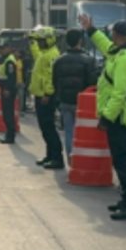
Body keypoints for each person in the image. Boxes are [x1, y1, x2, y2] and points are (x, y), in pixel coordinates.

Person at [79, 14, 126, 220]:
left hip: (121, 118)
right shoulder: (122, 53)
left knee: (123, 161)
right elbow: (105, 45)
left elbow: (120, 92)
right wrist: (91, 30)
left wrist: (107, 117)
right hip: (122, 116)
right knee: (121, 161)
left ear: (118, 35)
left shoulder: (125, 59)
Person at [53, 29, 97, 163]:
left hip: (65, 101)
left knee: (68, 131)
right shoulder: (89, 60)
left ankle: (71, 158)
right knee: (83, 132)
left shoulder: (59, 60)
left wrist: (59, 97)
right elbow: (92, 83)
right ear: (80, 41)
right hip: (83, 103)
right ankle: (82, 159)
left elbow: (55, 81)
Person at [29, 26, 64, 169]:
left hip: (46, 96)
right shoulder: (45, 53)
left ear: (50, 40)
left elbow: (50, 76)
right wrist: (32, 42)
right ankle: (50, 155)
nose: (40, 43)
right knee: (45, 128)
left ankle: (57, 158)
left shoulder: (52, 55)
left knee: (48, 127)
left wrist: (48, 93)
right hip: (40, 95)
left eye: (41, 40)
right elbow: (37, 55)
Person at [0, 42, 19, 145]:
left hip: (7, 90)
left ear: (9, 48)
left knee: (8, 113)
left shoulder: (10, 61)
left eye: (3, 48)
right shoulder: (5, 59)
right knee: (6, 112)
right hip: (4, 88)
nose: (1, 50)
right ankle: (8, 134)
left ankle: (10, 136)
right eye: (0, 49)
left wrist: (7, 89)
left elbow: (11, 77)